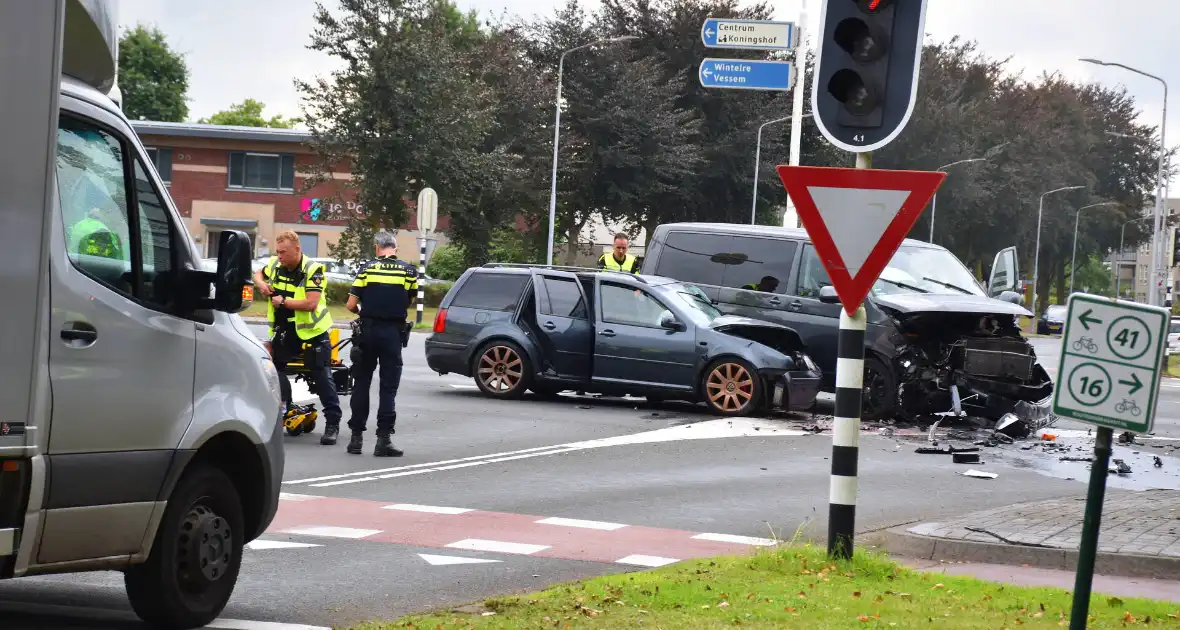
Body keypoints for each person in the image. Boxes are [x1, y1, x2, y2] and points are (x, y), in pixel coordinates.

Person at [253, 231, 343, 445]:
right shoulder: (275, 264)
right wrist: (261, 285)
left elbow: (311, 303)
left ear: (297, 250)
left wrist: (283, 302)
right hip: (285, 330)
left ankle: (333, 423)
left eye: (284, 252)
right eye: (278, 252)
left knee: (321, 375)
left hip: (313, 332)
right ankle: (288, 410)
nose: (280, 256)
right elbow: (258, 273)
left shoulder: (313, 270)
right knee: (274, 369)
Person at [344, 230, 418, 457]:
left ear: (377, 248)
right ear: (394, 248)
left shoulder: (366, 269)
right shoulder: (408, 271)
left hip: (367, 331)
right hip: (392, 334)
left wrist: (364, 311)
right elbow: (410, 301)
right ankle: (383, 440)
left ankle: (356, 439)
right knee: (388, 388)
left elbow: (350, 304)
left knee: (361, 383)